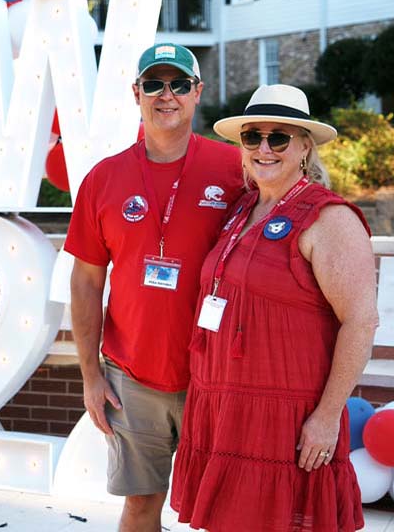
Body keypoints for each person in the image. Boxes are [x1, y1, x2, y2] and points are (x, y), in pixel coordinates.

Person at [170, 84, 379, 532]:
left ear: (305, 146)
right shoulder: (242, 208)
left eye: (279, 137)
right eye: (253, 137)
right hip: (224, 408)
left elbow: (361, 321)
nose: (264, 148)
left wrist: (326, 418)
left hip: (285, 418)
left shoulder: (330, 218)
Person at [64, 43, 244, 531]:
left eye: (180, 84)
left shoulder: (236, 170)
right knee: (141, 504)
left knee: (222, 509)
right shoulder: (103, 178)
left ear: (197, 93)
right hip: (131, 375)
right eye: (154, 84)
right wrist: (90, 375)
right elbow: (85, 281)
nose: (167, 95)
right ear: (136, 93)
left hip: (216, 373)